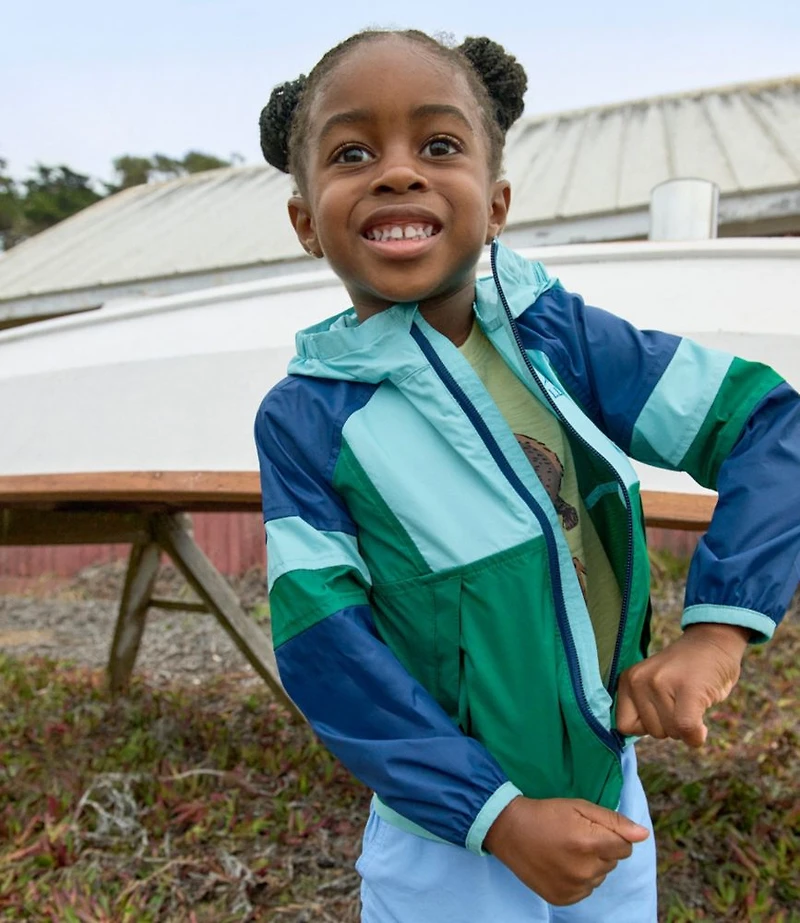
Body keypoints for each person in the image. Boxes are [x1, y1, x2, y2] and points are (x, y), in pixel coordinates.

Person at [254, 29, 800, 922]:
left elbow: (769, 424)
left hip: (610, 799)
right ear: (307, 220)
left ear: (497, 202)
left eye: (439, 145)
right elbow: (323, 642)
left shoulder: (567, 340)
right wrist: (495, 816)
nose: (398, 173)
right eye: (352, 152)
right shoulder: (307, 420)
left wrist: (716, 635)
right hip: (450, 843)